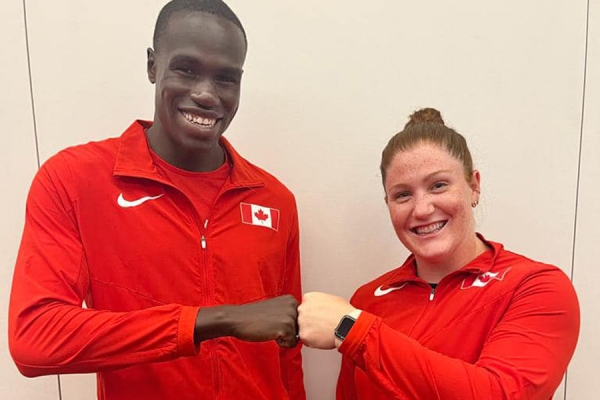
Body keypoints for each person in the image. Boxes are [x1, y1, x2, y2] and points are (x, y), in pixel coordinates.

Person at [8, 1, 305, 399]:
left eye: (225, 78)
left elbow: (287, 353)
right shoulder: (74, 180)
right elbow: (34, 339)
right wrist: (213, 322)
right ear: (152, 65)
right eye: (185, 69)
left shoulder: (275, 200)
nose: (205, 94)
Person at [297, 108, 580, 399]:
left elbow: (499, 394)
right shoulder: (367, 300)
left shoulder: (535, 287)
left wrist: (354, 331)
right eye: (403, 194)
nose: (422, 209)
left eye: (438, 185)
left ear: (474, 186)